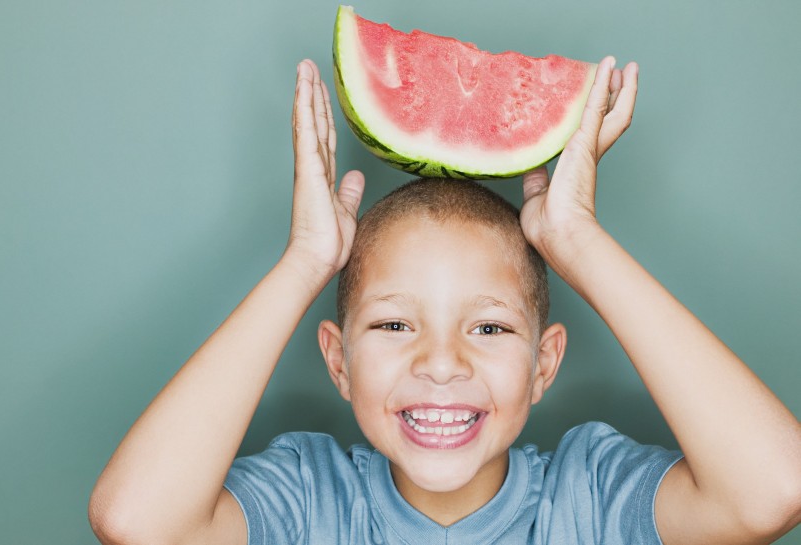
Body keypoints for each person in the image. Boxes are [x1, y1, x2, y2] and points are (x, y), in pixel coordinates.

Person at [89, 57, 801, 545]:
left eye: (488, 326)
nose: (440, 362)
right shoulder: (311, 494)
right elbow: (135, 521)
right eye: (395, 322)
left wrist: (578, 240)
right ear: (337, 361)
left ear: (544, 363)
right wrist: (303, 265)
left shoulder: (587, 496)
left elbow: (774, 487)